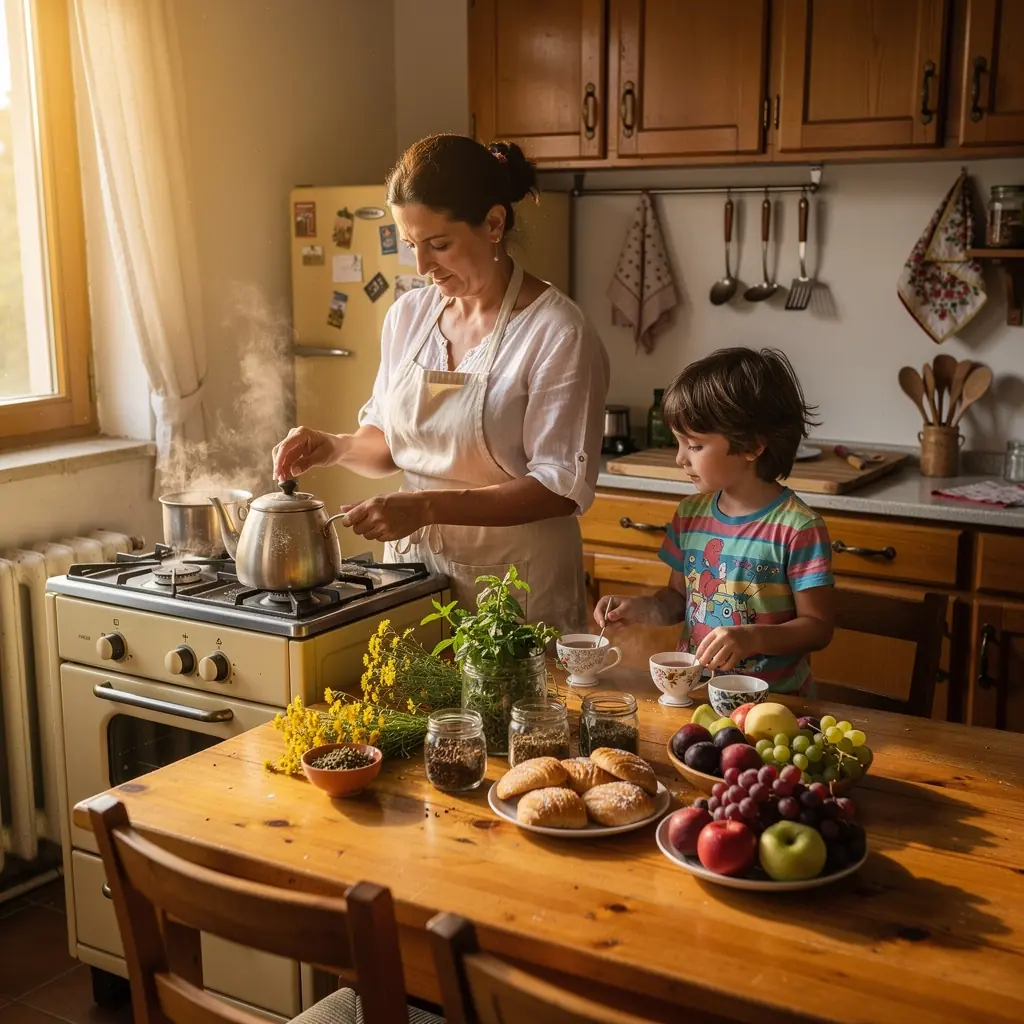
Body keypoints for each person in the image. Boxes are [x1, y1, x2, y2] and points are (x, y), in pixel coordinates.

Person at [273, 134, 610, 631]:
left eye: (439, 244)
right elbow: (389, 446)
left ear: (494, 224)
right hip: (414, 576)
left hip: (516, 591)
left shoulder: (556, 330)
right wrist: (334, 446)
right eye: (411, 245)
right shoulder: (409, 316)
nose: (421, 267)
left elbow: (559, 488)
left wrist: (426, 505)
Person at [594, 348, 834, 694]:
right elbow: (677, 598)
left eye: (694, 446)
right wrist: (640, 608)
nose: (680, 458)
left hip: (774, 708)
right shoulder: (690, 516)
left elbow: (818, 628)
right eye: (679, 443)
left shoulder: (798, 529)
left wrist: (753, 637)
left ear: (752, 446)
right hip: (697, 695)